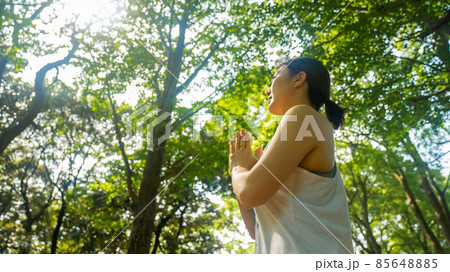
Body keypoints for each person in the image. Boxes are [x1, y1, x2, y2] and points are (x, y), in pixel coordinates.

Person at [228, 57, 354, 254]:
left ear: (299, 79)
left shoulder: (303, 115)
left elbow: (250, 193)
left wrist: (239, 169)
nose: (268, 89)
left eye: (275, 76)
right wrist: (245, 171)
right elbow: (256, 228)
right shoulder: (301, 126)